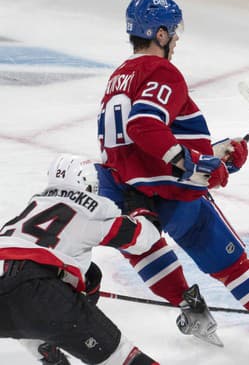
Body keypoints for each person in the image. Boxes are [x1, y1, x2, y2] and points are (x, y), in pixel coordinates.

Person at [96, 0, 249, 358]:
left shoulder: (119, 77)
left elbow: (138, 143)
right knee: (229, 263)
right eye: (173, 32)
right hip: (172, 194)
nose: (176, 39)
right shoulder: (162, 71)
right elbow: (145, 125)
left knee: (142, 248)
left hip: (126, 193)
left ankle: (189, 304)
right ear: (159, 35)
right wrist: (193, 164)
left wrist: (215, 154)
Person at [0, 154, 162, 364]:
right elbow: (142, 238)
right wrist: (143, 210)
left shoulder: (33, 207)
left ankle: (45, 347)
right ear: (87, 183)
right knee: (123, 358)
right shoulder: (91, 211)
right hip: (42, 296)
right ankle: (52, 336)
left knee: (85, 276)